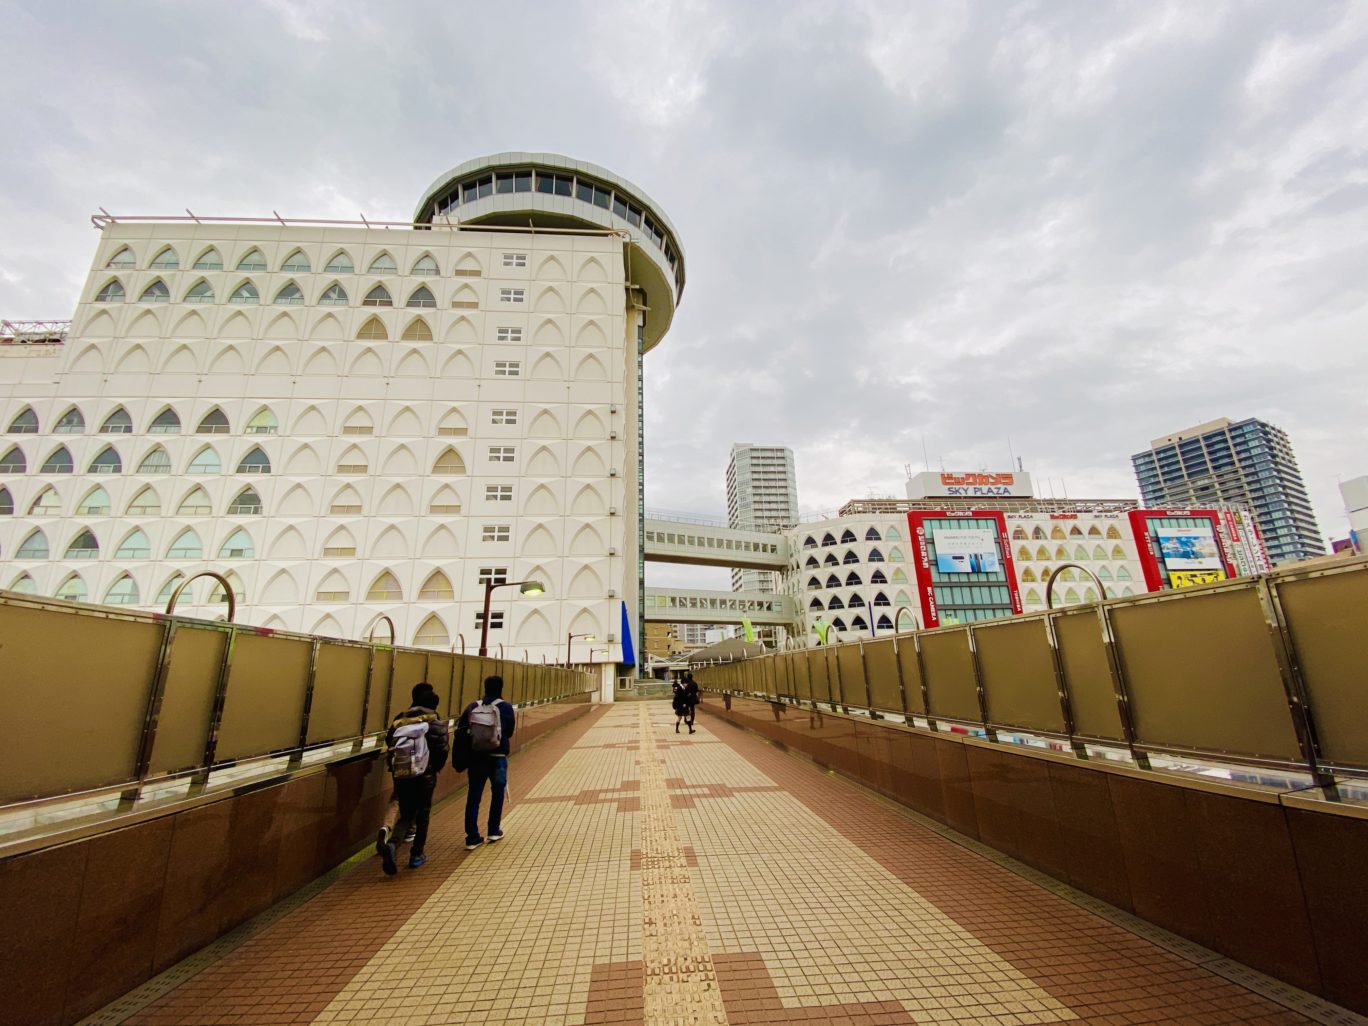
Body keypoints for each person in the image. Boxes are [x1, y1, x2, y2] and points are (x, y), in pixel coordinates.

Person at [376, 682, 449, 876]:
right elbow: (442, 749)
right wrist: (434, 768)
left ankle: (392, 844)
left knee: (407, 814)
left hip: (402, 774)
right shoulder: (434, 721)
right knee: (423, 814)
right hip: (425, 774)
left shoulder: (400, 719)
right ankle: (416, 855)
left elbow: (389, 742)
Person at [459, 675, 516, 851]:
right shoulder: (505, 707)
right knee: (497, 792)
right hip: (498, 756)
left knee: (474, 796)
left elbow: (462, 730)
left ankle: (472, 837)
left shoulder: (472, 706)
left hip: (476, 758)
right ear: (501, 688)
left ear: (484, 688)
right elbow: (509, 731)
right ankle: (493, 830)